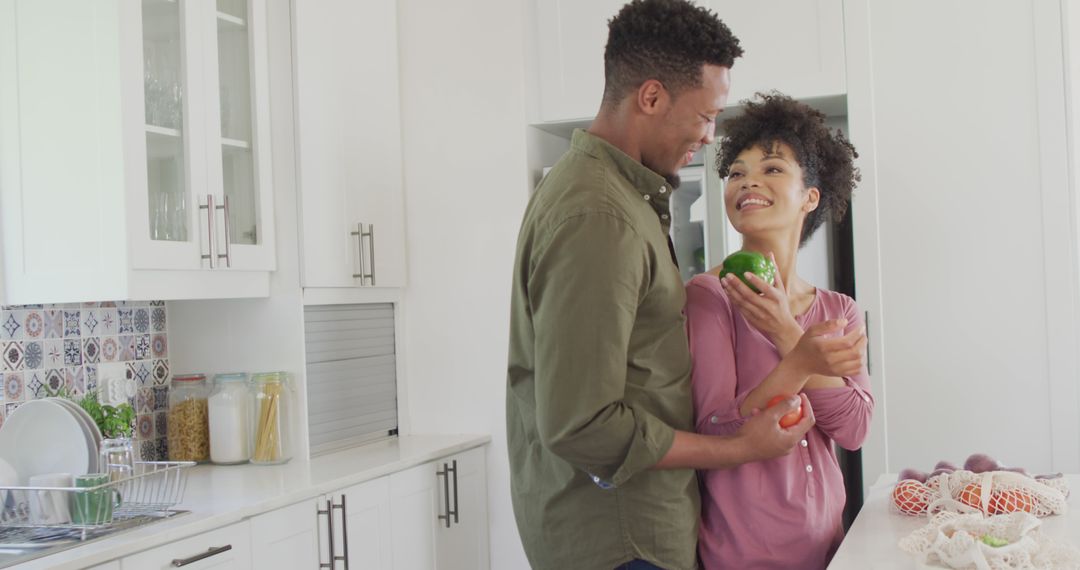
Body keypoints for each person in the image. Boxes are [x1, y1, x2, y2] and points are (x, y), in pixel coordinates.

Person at [506, 1, 866, 568]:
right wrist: (747, 441)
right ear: (651, 98)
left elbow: (854, 424)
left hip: (645, 533)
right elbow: (582, 423)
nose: (710, 136)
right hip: (626, 540)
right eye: (706, 115)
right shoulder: (601, 215)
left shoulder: (623, 201)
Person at [685, 92, 873, 570]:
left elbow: (854, 429)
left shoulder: (839, 309)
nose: (748, 179)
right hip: (744, 556)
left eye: (771, 168)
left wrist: (789, 333)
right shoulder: (710, 296)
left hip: (831, 545)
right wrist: (801, 362)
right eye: (736, 172)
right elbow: (713, 429)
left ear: (811, 195)